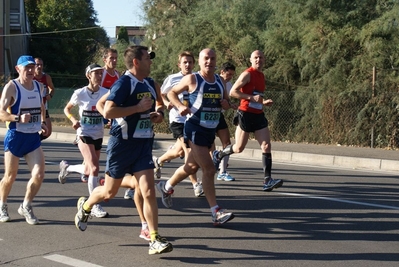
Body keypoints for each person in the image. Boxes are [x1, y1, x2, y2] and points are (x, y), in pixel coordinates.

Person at [74, 45, 172, 255]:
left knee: (148, 191)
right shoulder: (124, 83)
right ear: (136, 62)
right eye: (147, 58)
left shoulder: (148, 82)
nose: (151, 61)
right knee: (109, 192)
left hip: (143, 144)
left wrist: (159, 114)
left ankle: (154, 238)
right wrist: (136, 109)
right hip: (122, 145)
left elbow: (159, 104)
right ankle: (86, 205)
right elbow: (107, 109)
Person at [157, 48, 234, 226]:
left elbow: (225, 103)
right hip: (194, 129)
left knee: (191, 166)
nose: (209, 61)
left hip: (210, 130)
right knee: (208, 169)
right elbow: (170, 93)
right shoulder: (192, 78)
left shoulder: (220, 81)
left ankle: (166, 187)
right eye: (206, 58)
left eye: (212, 58)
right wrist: (178, 106)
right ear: (199, 61)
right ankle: (215, 211)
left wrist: (226, 103)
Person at [213, 50, 283, 191]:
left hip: (258, 115)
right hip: (245, 114)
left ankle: (267, 181)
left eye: (261, 58)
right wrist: (251, 98)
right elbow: (233, 92)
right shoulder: (247, 74)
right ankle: (219, 154)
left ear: (264, 60)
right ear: (251, 60)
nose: (258, 60)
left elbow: (257, 96)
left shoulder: (262, 76)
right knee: (239, 148)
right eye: (256, 58)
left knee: (266, 146)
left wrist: (264, 102)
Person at [0, 55, 48, 225]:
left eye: (32, 67)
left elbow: (41, 107)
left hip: (33, 139)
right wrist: (18, 118)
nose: (30, 70)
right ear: (18, 69)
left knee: (39, 174)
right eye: (26, 67)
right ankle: (2, 205)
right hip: (16, 137)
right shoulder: (12, 87)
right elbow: (1, 113)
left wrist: (42, 122)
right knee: (10, 176)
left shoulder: (38, 86)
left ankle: (26, 205)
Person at [57, 63, 109, 218]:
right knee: (94, 168)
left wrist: (110, 118)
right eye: (96, 73)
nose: (99, 76)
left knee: (88, 169)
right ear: (89, 75)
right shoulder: (80, 93)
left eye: (101, 73)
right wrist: (73, 120)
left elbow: (109, 110)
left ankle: (67, 168)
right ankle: (94, 205)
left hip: (98, 134)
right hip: (83, 132)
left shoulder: (106, 92)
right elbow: (67, 109)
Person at [153, 51, 204, 197]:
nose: (187, 65)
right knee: (189, 152)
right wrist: (168, 103)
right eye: (185, 62)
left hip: (193, 120)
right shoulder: (172, 78)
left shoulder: (197, 78)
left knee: (179, 152)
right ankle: (196, 184)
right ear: (179, 64)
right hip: (178, 120)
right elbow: (161, 94)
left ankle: (159, 160)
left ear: (194, 64)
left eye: (190, 62)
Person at [214, 62, 236, 182]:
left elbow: (226, 103)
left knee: (227, 143)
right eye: (228, 74)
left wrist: (231, 105)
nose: (230, 77)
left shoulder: (229, 85)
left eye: (232, 75)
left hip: (219, 116)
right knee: (208, 146)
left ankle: (222, 172)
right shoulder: (213, 80)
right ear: (222, 72)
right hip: (206, 117)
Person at [33, 57, 55, 140]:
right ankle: (32, 145)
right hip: (32, 106)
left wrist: (50, 95)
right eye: (37, 64)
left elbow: (52, 89)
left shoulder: (46, 77)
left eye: (41, 65)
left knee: (47, 132)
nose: (39, 66)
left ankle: (35, 141)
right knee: (31, 129)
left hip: (43, 106)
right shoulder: (30, 78)